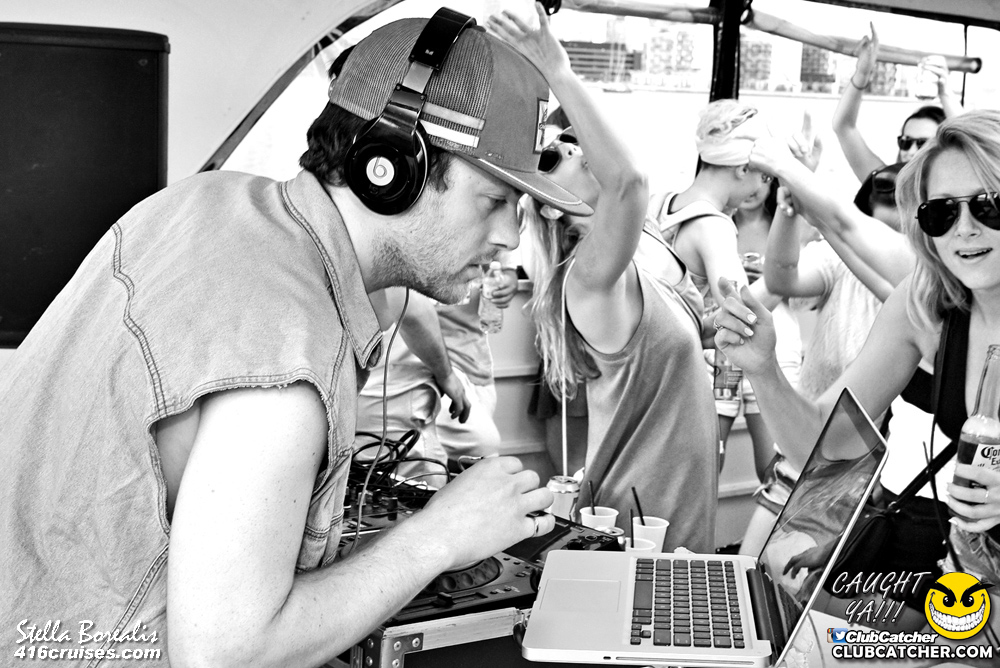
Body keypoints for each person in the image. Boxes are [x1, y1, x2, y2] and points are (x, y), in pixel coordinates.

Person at [0, 11, 598, 665]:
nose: (510, 237)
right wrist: (439, 537)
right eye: (493, 200)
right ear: (391, 169)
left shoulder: (209, 201)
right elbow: (226, 653)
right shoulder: (286, 345)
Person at [714, 109, 1000, 632]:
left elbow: (843, 222)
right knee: (786, 607)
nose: (965, 228)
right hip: (968, 579)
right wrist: (763, 369)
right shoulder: (926, 305)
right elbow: (823, 443)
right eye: (941, 213)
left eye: (989, 205)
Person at [491, 3, 718, 553]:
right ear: (550, 207)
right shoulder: (588, 277)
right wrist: (557, 70)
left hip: (675, 504)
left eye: (572, 141)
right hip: (639, 520)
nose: (571, 149)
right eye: (550, 159)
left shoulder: (645, 253)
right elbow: (629, 183)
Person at [354, 260, 518, 486]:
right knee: (479, 451)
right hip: (410, 374)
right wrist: (446, 374)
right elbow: (410, 308)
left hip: (464, 362)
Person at [832, 22, 960, 183]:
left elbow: (975, 146)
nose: (911, 152)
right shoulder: (887, 185)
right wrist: (862, 73)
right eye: (905, 142)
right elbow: (843, 127)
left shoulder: (959, 191)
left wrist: (946, 93)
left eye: (923, 144)